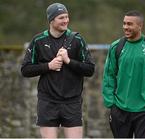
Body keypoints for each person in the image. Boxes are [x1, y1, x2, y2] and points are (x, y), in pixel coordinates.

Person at [21, 3, 95, 138]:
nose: (66, 20)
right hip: (47, 102)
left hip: (72, 102)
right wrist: (48, 66)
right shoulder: (38, 40)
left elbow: (90, 69)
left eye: (67, 17)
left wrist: (68, 61)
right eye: (61, 17)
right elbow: (25, 70)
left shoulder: (77, 40)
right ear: (51, 20)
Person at [102, 10, 145, 138]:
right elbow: (109, 76)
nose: (125, 27)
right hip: (120, 110)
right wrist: (110, 102)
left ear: (140, 26)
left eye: (129, 24)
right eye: (124, 23)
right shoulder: (116, 47)